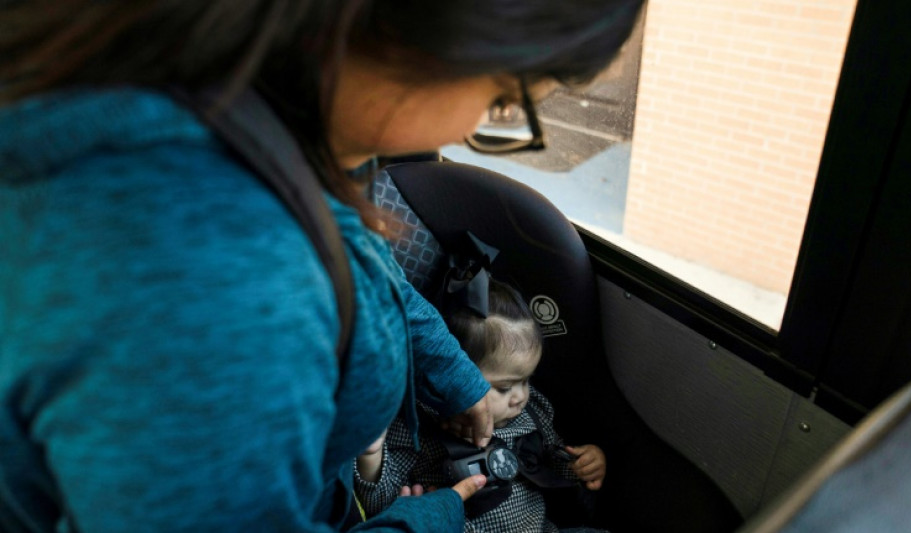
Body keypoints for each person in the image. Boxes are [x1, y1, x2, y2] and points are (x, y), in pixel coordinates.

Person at [0, 1, 641, 531]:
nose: (478, 123)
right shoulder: (215, 282)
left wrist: (456, 374)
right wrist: (428, 520)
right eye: (502, 99)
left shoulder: (277, 131)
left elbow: (372, 278)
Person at [354, 250, 607, 532]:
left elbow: (548, 462)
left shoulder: (529, 412)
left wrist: (580, 465)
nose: (520, 396)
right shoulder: (418, 430)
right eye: (504, 387)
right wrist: (371, 456)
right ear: (457, 371)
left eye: (526, 380)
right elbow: (382, 504)